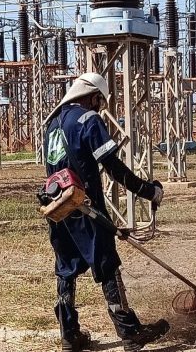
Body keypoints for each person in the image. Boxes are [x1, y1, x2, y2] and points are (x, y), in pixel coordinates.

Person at [42, 73, 169, 352]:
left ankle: (69, 335)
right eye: (100, 101)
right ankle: (130, 332)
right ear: (92, 97)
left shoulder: (52, 125)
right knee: (107, 264)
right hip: (86, 206)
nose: (100, 107)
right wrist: (148, 191)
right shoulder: (88, 120)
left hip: (58, 207)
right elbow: (113, 167)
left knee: (66, 269)